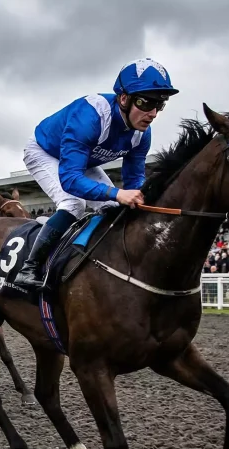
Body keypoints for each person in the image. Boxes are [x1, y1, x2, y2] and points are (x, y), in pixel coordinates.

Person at [11, 58, 179, 290]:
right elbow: (70, 179)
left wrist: (142, 196)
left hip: (84, 159)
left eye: (159, 105)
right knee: (73, 204)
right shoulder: (90, 117)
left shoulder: (142, 134)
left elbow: (134, 181)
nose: (152, 113)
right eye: (145, 102)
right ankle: (28, 268)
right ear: (123, 98)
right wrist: (117, 193)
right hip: (46, 151)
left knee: (112, 208)